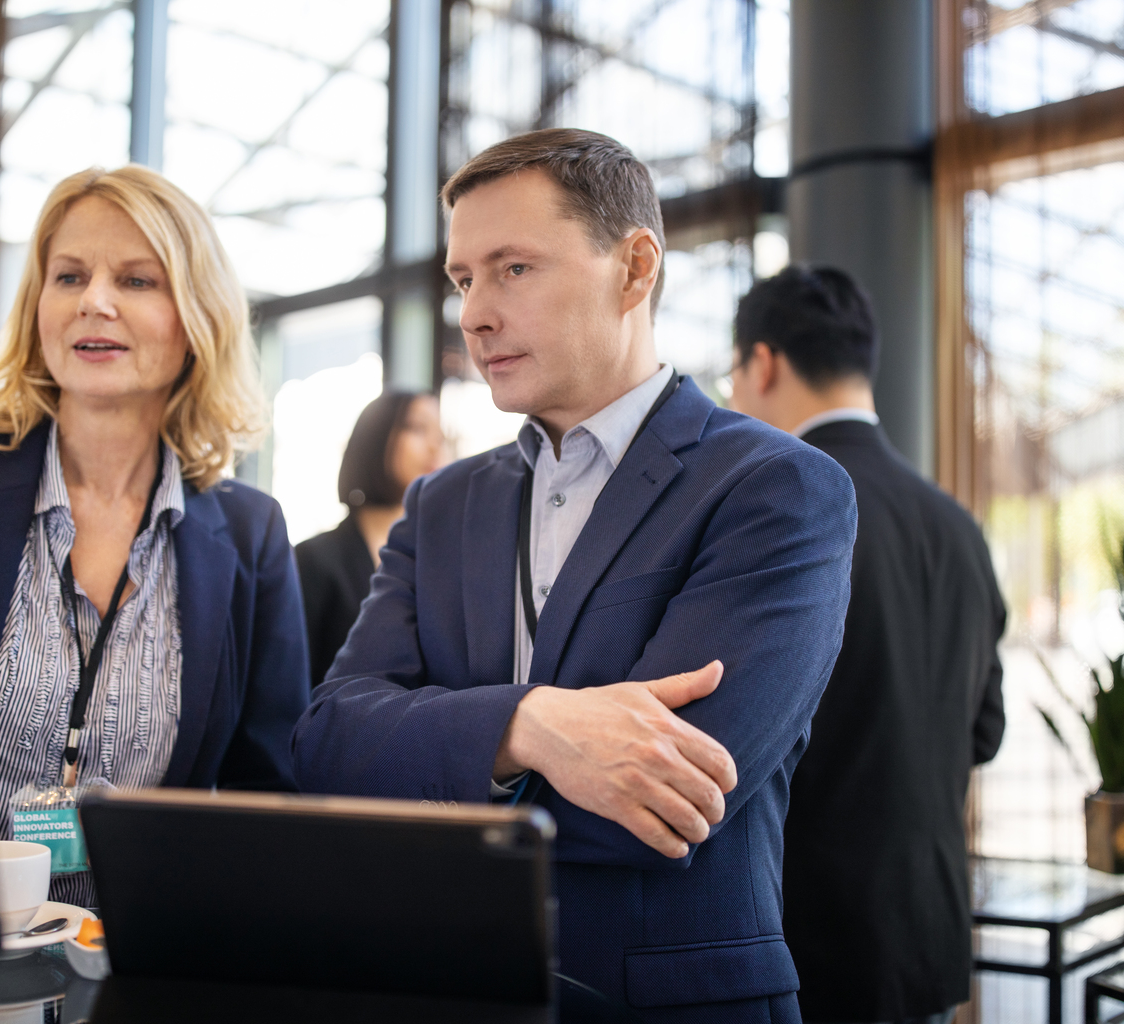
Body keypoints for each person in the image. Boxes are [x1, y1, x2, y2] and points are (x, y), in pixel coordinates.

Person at [292, 128, 858, 1021]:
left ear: (635, 268)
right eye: (463, 278)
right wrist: (534, 726)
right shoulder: (441, 506)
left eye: (513, 268)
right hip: (444, 992)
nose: (474, 313)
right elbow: (326, 743)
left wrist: (435, 756)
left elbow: (668, 801)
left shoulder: (774, 487)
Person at [0, 165, 309, 908]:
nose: (94, 302)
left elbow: (265, 788)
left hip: (130, 966)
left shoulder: (250, 535)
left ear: (196, 319)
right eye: (70, 276)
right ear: (37, 309)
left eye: (137, 281)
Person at [729, 266, 1006, 1024]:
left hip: (813, 940)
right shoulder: (958, 526)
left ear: (763, 363)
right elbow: (986, 729)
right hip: (930, 936)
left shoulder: (782, 510)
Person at [295, 391, 446, 687]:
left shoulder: (447, 558)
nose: (434, 447)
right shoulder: (314, 559)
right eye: (417, 428)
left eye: (440, 436)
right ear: (375, 439)